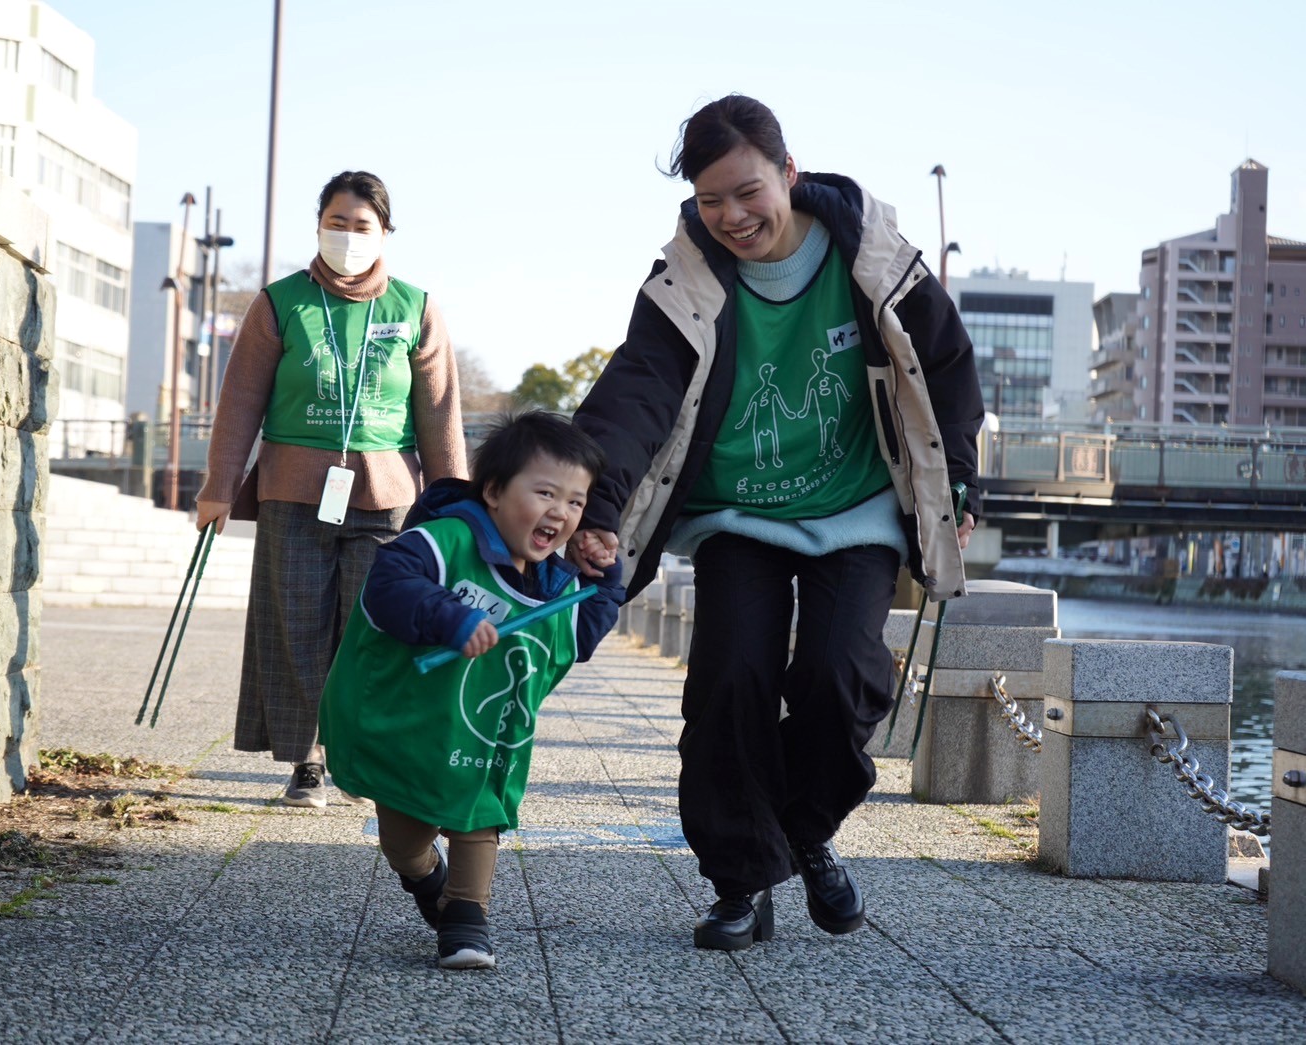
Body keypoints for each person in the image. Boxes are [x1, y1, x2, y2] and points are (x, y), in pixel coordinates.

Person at [570, 95, 985, 951]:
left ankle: (800, 830)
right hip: (736, 514)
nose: (730, 217)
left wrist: (962, 486)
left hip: (857, 507)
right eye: (709, 200)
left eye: (746, 192)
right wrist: (594, 502)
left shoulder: (872, 256)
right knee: (729, 682)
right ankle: (737, 881)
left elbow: (944, 364)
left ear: (788, 174)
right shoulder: (683, 280)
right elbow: (633, 392)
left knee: (842, 679)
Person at [195, 171, 467, 809]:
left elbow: (441, 418)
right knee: (296, 626)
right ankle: (306, 761)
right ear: (319, 225)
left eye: (362, 226)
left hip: (389, 494)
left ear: (385, 233)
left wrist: (459, 509)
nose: (348, 236)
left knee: (374, 627)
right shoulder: (279, 302)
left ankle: (364, 755)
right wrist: (218, 486)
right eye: (337, 223)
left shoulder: (414, 308)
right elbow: (239, 405)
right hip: (292, 488)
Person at [318, 412, 626, 969]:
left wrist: (606, 583)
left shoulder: (555, 582)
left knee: (480, 815)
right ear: (493, 492)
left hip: (483, 740)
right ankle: (424, 875)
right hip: (412, 731)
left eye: (576, 502)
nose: (561, 512)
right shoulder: (443, 542)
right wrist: (449, 617)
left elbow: (575, 639)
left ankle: (466, 920)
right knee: (404, 842)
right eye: (545, 493)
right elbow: (390, 586)